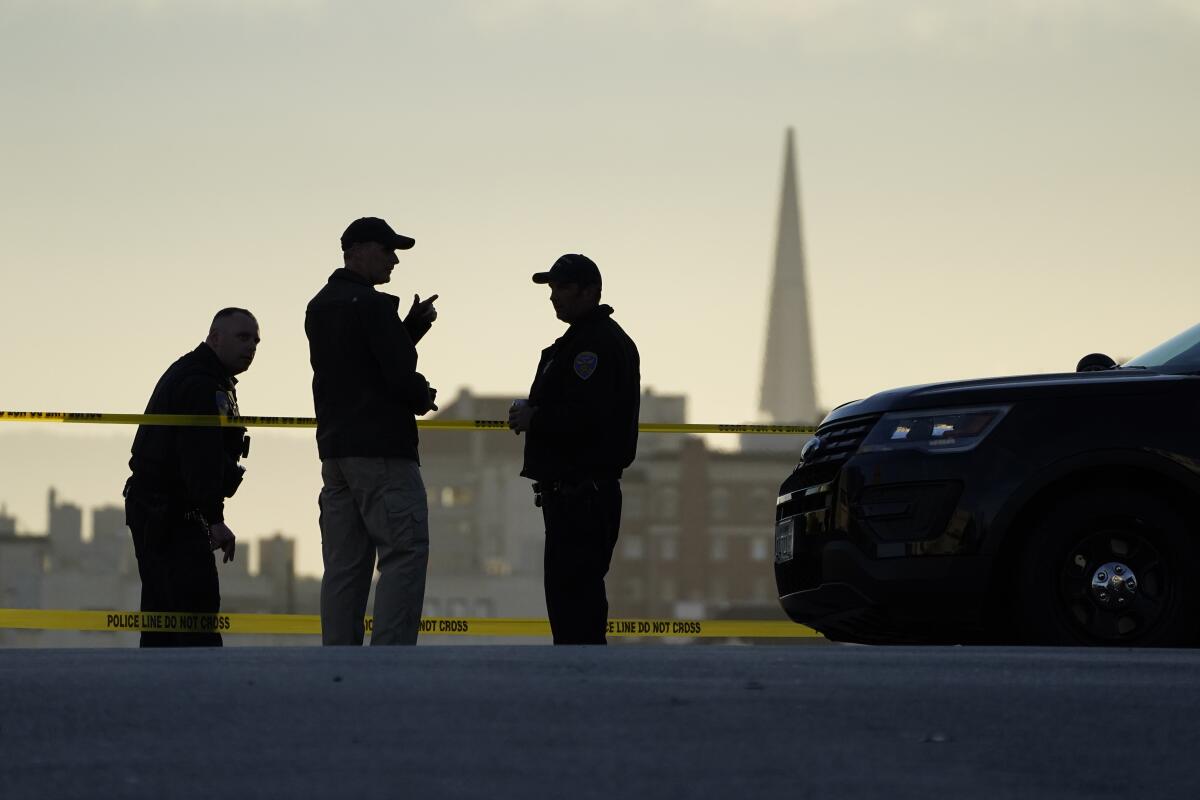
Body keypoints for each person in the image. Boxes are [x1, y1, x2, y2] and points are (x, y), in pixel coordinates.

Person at [305, 217, 440, 646]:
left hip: (337, 454)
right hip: (383, 451)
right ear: (358, 249)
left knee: (345, 565)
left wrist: (408, 330)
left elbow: (359, 364)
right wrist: (423, 396)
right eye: (387, 250)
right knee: (404, 551)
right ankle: (390, 662)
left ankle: (339, 662)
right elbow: (397, 375)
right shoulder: (372, 305)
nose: (395, 259)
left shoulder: (321, 305)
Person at [509, 254, 640, 644]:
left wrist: (536, 418)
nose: (554, 297)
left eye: (563, 288)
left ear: (590, 291)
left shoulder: (595, 346)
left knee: (575, 603)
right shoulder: (581, 342)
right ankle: (581, 680)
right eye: (552, 289)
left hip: (583, 493)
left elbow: (588, 416)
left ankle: (583, 683)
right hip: (573, 494)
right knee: (571, 600)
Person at [124, 308, 259, 647]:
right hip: (169, 512)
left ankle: (166, 692)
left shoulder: (207, 378)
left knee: (166, 619)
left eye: (256, 341)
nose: (252, 347)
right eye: (243, 337)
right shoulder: (200, 383)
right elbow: (200, 458)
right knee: (193, 618)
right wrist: (215, 519)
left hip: (163, 508)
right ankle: (198, 692)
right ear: (215, 338)